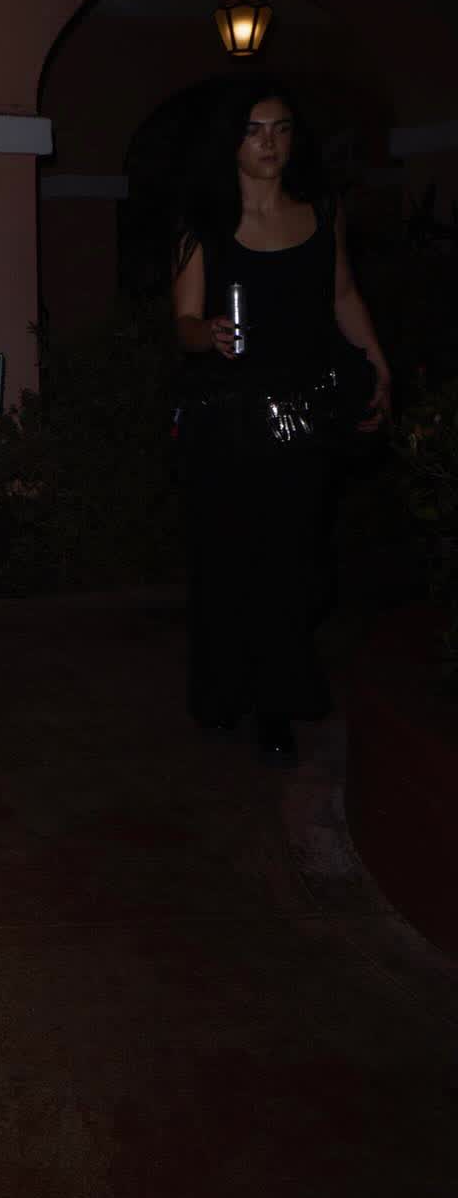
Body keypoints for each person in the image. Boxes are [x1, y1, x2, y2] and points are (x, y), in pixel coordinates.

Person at [171, 76, 391, 759]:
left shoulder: (321, 213)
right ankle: (224, 692)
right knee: (229, 557)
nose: (270, 144)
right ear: (232, 142)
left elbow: (343, 294)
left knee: (295, 560)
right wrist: (208, 334)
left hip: (304, 414)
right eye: (254, 130)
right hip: (228, 420)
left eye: (281, 129)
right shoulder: (207, 225)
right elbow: (183, 321)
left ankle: (277, 701)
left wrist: (378, 363)